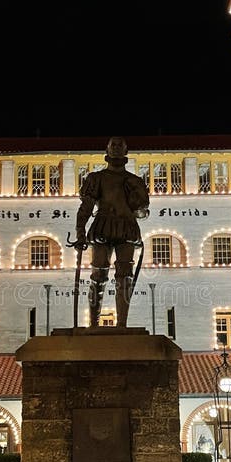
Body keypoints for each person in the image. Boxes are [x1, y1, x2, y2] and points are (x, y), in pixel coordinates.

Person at [74, 137, 150, 326]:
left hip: (126, 228)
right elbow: (87, 206)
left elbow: (141, 213)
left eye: (120, 145)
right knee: (98, 275)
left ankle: (122, 324)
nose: (116, 148)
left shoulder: (135, 181)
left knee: (125, 276)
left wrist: (137, 199)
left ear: (126, 150)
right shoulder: (96, 178)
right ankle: (94, 322)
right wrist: (80, 230)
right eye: (113, 145)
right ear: (107, 149)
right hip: (103, 226)